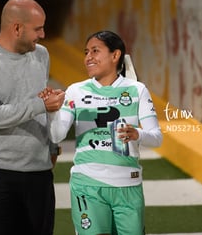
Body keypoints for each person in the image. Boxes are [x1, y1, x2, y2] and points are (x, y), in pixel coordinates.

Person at [0, 0, 65, 235]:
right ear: (16, 28)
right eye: (37, 29)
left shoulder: (42, 54)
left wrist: (52, 147)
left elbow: (40, 106)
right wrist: (41, 105)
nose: (42, 34)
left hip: (39, 173)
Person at [44, 30, 163, 235]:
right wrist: (52, 111)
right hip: (87, 184)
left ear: (115, 55)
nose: (88, 57)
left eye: (95, 51)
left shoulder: (137, 90)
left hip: (128, 184)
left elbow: (156, 138)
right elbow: (56, 135)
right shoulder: (75, 91)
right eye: (86, 52)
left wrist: (137, 134)